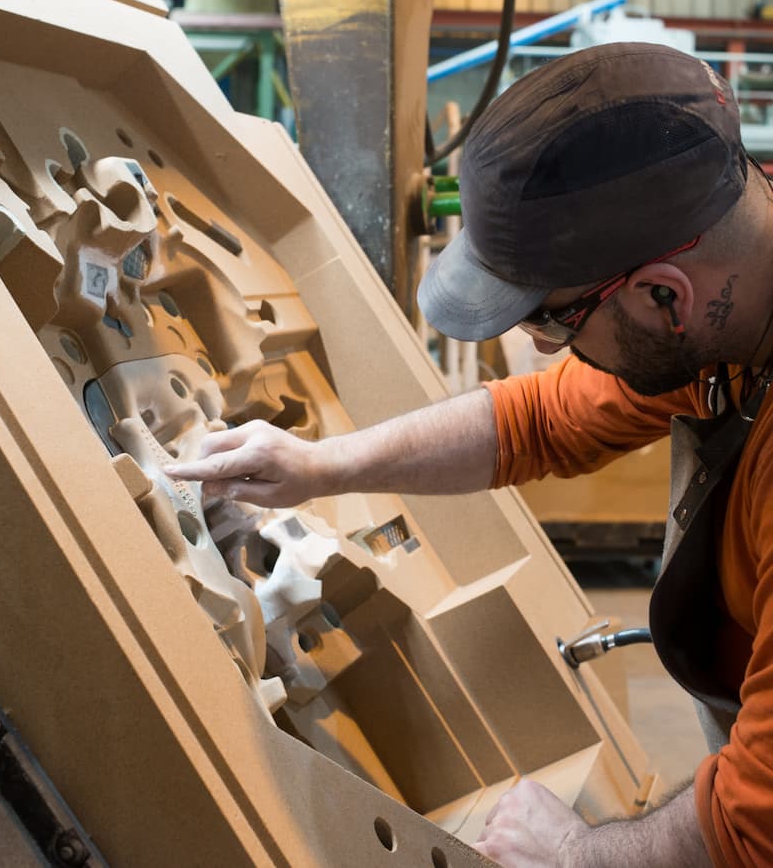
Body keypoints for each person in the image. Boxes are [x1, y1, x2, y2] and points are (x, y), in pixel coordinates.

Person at [165, 42, 773, 867]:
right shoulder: (731, 306)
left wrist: (572, 852)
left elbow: (754, 821)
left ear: (663, 293)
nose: (542, 347)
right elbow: (537, 421)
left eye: (553, 321)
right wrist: (320, 464)